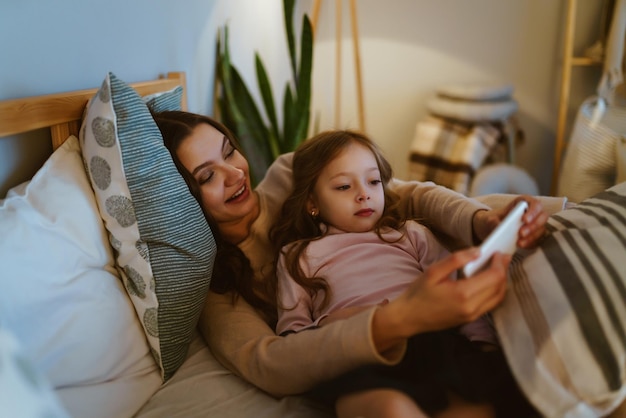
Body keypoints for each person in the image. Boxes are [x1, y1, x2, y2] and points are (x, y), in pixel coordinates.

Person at [152, 110, 548, 417]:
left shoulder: (290, 175)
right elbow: (269, 360)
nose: (235, 172)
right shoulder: (219, 284)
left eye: (229, 151)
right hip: (367, 353)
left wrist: (480, 219)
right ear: (182, 200)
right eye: (206, 176)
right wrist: (396, 318)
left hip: (436, 292)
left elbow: (404, 196)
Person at [271, 130, 537, 418]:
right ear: (312, 203)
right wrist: (339, 321)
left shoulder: (408, 233)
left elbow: (457, 288)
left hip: (435, 343)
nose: (364, 194)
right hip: (359, 354)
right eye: (344, 186)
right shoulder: (298, 255)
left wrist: (482, 344)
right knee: (386, 407)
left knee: (479, 404)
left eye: (373, 182)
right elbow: (294, 337)